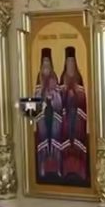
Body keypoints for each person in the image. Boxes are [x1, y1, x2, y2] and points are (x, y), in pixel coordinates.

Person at [59, 46, 89, 182]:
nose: (70, 65)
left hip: (77, 117)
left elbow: (83, 98)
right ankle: (66, 170)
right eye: (68, 62)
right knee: (66, 143)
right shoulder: (62, 78)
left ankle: (79, 171)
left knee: (77, 143)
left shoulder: (79, 78)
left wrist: (75, 94)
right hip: (66, 117)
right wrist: (67, 94)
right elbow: (58, 99)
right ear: (66, 64)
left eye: (72, 62)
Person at [35, 48, 63, 180]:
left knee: (55, 140)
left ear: (51, 65)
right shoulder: (39, 78)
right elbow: (36, 97)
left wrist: (53, 96)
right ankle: (42, 167)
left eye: (48, 63)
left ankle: (57, 168)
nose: (46, 66)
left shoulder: (54, 77)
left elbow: (59, 98)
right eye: (44, 63)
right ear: (41, 65)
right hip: (43, 115)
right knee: (43, 140)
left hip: (54, 113)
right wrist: (43, 96)